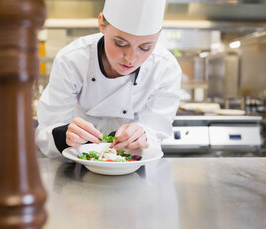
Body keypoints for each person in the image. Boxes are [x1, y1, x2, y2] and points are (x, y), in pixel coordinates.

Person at [35, 0, 182, 158]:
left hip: (132, 169)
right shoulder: (72, 60)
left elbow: (155, 134)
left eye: (145, 47)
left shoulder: (165, 68)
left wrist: (143, 136)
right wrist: (64, 135)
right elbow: (45, 134)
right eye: (120, 43)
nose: (131, 58)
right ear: (102, 24)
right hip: (74, 166)